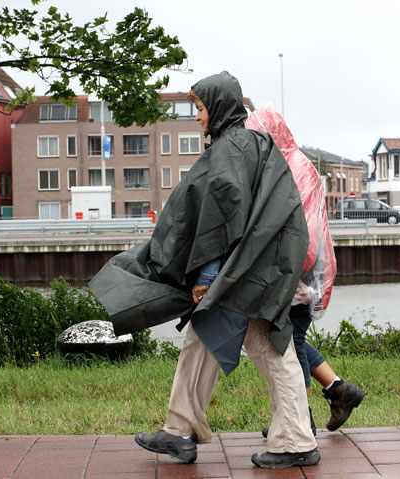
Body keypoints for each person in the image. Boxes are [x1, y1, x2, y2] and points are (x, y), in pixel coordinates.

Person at [89, 71, 320, 469]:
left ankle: (295, 440)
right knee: (208, 339)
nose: (197, 116)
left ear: (219, 106)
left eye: (200, 107)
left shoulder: (230, 149)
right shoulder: (255, 143)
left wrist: (208, 277)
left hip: (240, 274)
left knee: (268, 349)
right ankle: (181, 431)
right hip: (259, 266)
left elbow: (222, 220)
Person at [245, 106, 365, 436]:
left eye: (257, 137)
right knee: (287, 339)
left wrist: (289, 274)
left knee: (289, 345)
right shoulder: (285, 165)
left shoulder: (292, 169)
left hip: (300, 274)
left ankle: (302, 422)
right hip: (298, 272)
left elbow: (305, 236)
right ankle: (339, 390)